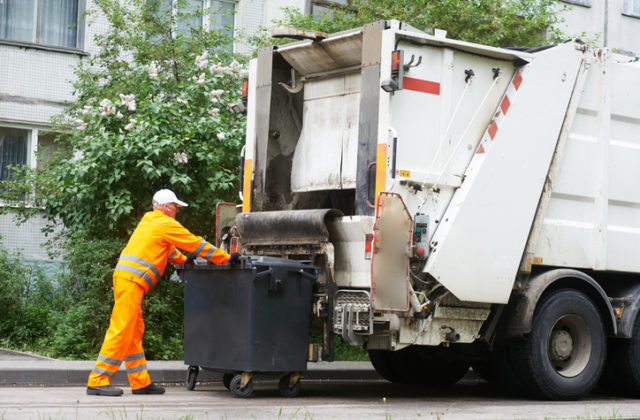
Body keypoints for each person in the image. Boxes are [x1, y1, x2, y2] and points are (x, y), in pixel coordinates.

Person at [87, 189, 240, 396]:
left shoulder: (150, 222)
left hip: (127, 281)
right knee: (122, 329)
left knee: (133, 332)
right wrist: (225, 258)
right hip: (131, 282)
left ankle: (140, 383)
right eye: (175, 207)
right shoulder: (164, 223)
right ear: (166, 207)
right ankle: (98, 380)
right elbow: (194, 242)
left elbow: (167, 250)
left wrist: (184, 260)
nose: (177, 211)